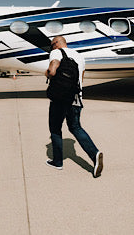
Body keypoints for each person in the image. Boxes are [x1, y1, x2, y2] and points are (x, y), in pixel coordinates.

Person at [45, 36, 103, 178]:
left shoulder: (56, 52)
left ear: (57, 44)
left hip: (60, 99)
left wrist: (46, 73)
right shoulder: (79, 56)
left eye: (52, 45)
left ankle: (58, 161)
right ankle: (94, 154)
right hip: (76, 99)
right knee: (76, 128)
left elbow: (52, 71)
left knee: (55, 129)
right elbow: (80, 80)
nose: (52, 48)